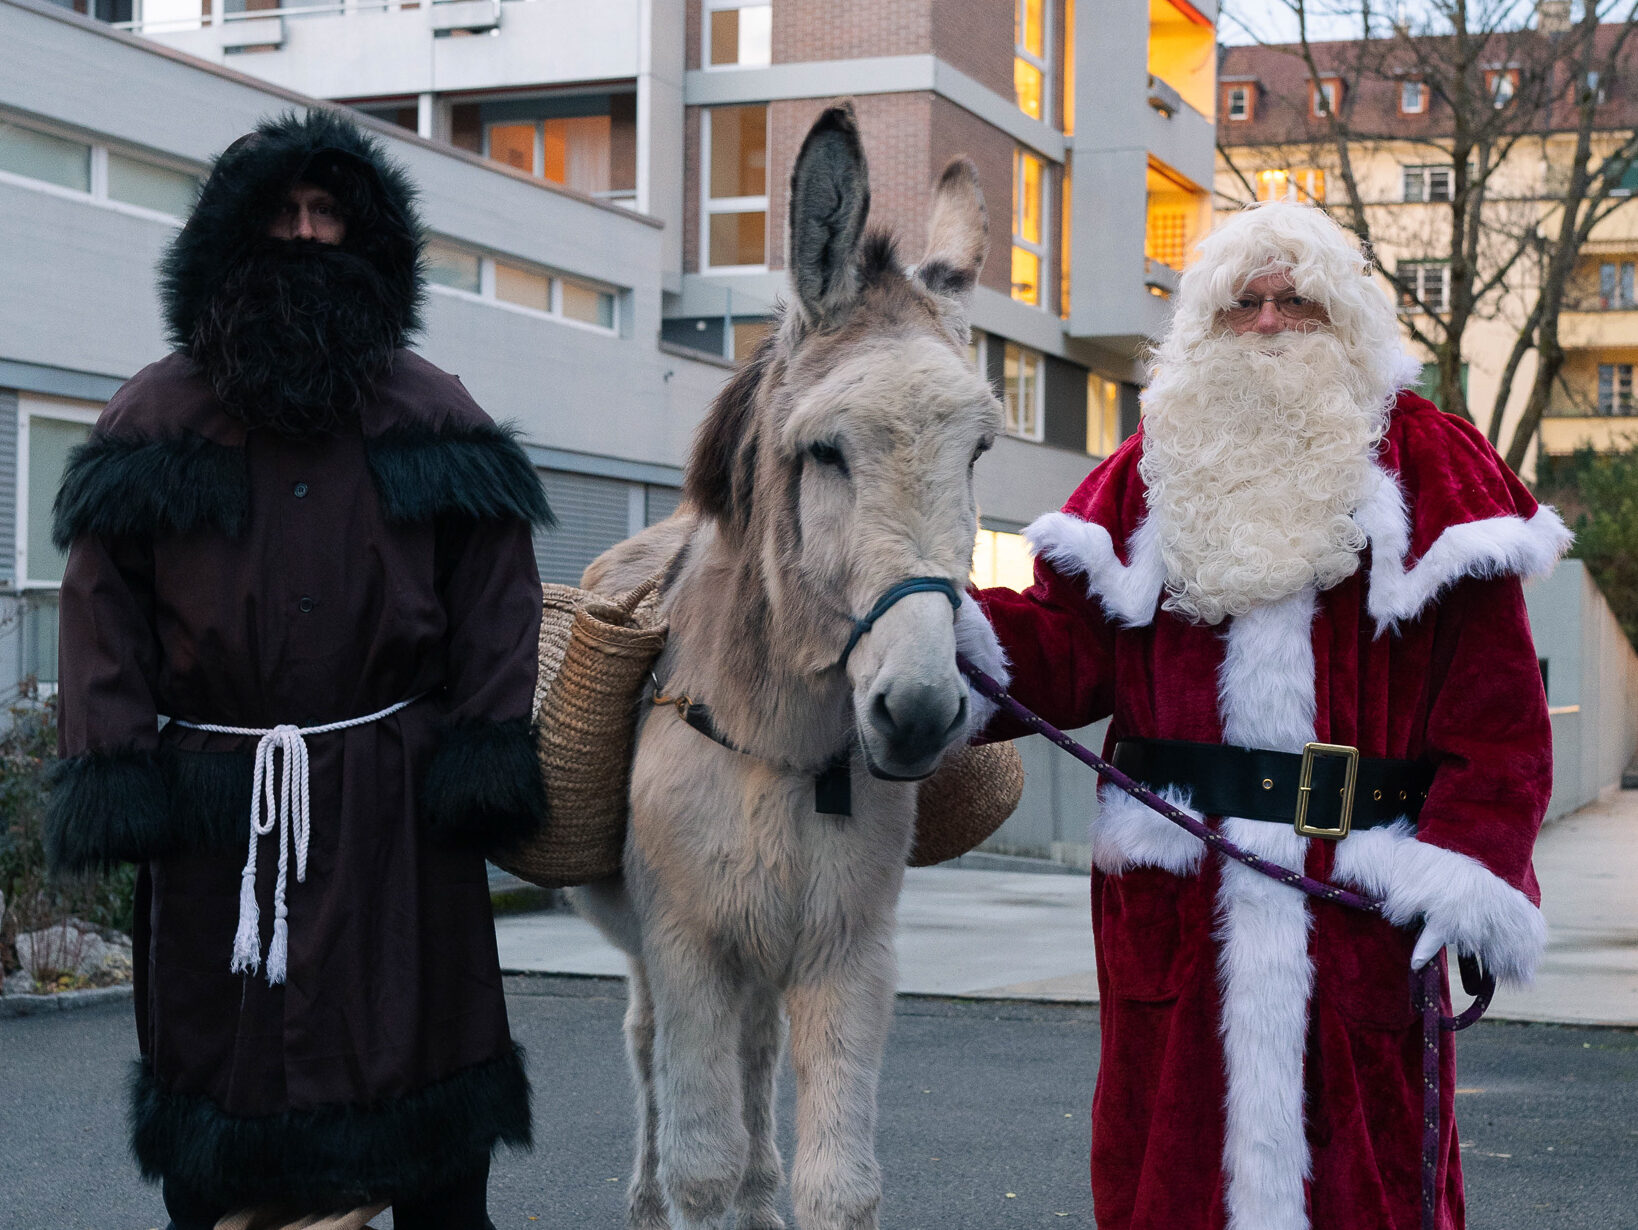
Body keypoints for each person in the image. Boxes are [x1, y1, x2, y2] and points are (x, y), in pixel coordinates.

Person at [975, 200, 1567, 1230]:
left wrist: (1467, 865)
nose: (1266, 325)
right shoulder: (1156, 469)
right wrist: (931, 633)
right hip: (1179, 906)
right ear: (1203, 327)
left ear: (1346, 323)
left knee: (1370, 1188)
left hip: (1362, 908)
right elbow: (1059, 649)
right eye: (1241, 305)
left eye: (1296, 303)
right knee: (1168, 1182)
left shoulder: (1432, 467)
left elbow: (1500, 718)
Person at [45, 110, 551, 1229]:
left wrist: (481, 753)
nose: (308, 236)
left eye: (330, 215)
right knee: (222, 1125)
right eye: (282, 214)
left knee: (429, 1121)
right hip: (218, 821)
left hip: (396, 819)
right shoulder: (155, 419)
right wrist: (119, 769)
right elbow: (102, 612)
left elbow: (500, 603)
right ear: (229, 240)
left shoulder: (435, 417)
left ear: (370, 244)